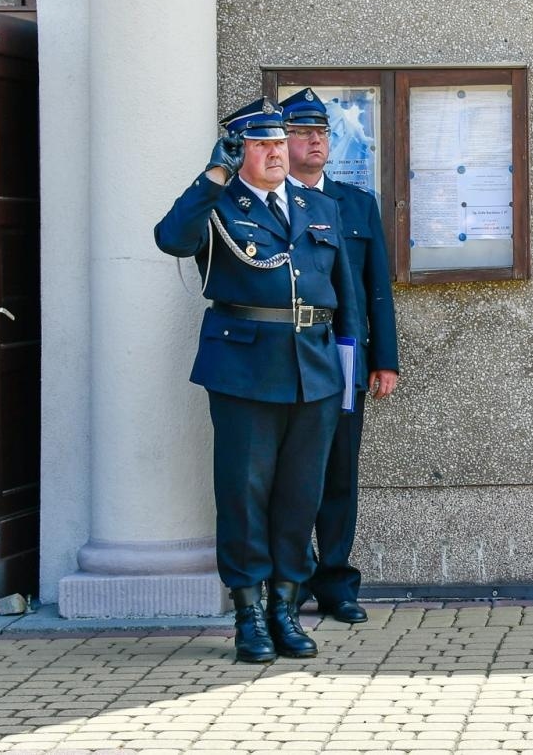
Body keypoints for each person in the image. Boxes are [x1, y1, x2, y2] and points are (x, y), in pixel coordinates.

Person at [154, 98, 356, 662]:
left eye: (278, 142)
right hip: (244, 368)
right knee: (244, 492)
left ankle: (284, 609)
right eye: (261, 144)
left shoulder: (318, 206)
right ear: (238, 150)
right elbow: (172, 239)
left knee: (300, 494)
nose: (275, 152)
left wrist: (349, 366)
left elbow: (345, 295)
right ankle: (248, 614)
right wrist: (213, 177)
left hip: (314, 369)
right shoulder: (219, 205)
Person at [281, 88, 401, 623]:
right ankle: (290, 578)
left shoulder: (356, 204)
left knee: (338, 474)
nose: (315, 141)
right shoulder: (270, 202)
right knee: (286, 475)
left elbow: (377, 289)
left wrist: (384, 359)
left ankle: (335, 583)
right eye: (303, 132)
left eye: (322, 133)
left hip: (344, 356)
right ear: (281, 141)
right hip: (285, 359)